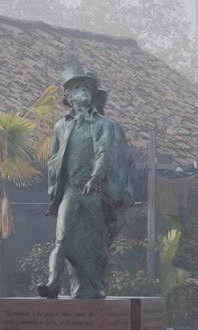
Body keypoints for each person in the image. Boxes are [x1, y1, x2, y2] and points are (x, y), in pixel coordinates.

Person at [37, 65, 133, 300]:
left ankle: (93, 285)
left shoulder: (105, 124)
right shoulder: (61, 126)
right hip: (71, 190)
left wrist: (96, 177)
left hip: (96, 191)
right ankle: (53, 282)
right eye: (77, 87)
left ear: (94, 93)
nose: (83, 91)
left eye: (87, 87)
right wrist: (53, 187)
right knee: (62, 238)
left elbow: (105, 153)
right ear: (69, 96)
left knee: (97, 243)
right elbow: (54, 159)